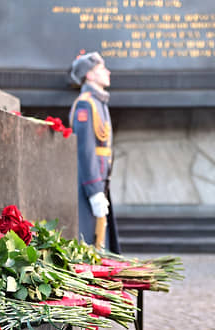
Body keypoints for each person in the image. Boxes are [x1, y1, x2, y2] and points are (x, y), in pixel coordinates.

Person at [67, 51, 120, 252]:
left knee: (100, 241)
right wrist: (94, 190)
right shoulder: (86, 104)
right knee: (90, 242)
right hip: (90, 184)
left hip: (101, 180)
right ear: (89, 75)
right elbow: (86, 150)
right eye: (101, 69)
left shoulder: (98, 102)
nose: (107, 72)